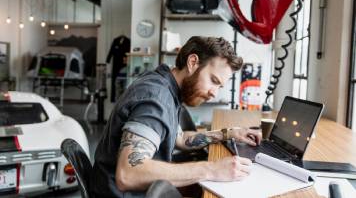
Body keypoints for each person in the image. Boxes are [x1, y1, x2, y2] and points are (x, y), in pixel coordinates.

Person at [92, 36, 262, 198]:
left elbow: (180, 138)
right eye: (213, 80)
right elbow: (129, 173)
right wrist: (212, 169)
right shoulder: (156, 98)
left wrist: (229, 134)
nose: (214, 93)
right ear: (193, 62)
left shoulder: (166, 85)